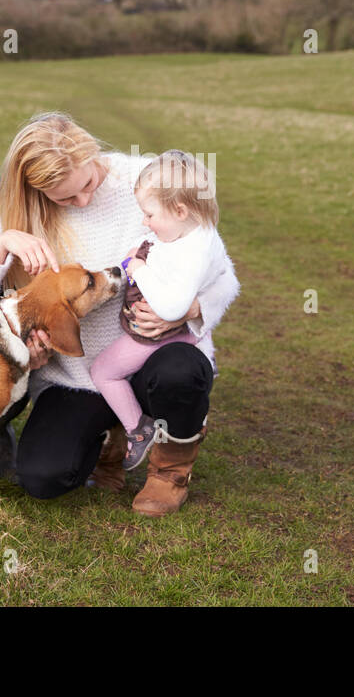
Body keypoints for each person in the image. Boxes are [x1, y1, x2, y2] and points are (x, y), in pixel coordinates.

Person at [0, 113, 239, 516]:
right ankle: (110, 443)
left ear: (92, 153)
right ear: (35, 189)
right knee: (44, 478)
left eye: (86, 184)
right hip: (76, 376)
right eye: (64, 198)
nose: (82, 201)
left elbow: (223, 273)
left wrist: (190, 309)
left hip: (153, 357)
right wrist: (1, 246)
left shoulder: (148, 183)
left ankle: (169, 471)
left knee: (180, 372)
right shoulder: (13, 213)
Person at [90, 150, 229, 471]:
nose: (144, 222)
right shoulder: (196, 234)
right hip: (182, 338)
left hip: (151, 337)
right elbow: (165, 248)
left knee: (104, 371)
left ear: (180, 210)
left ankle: (137, 429)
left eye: (149, 215)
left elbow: (172, 306)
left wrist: (137, 268)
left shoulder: (192, 254)